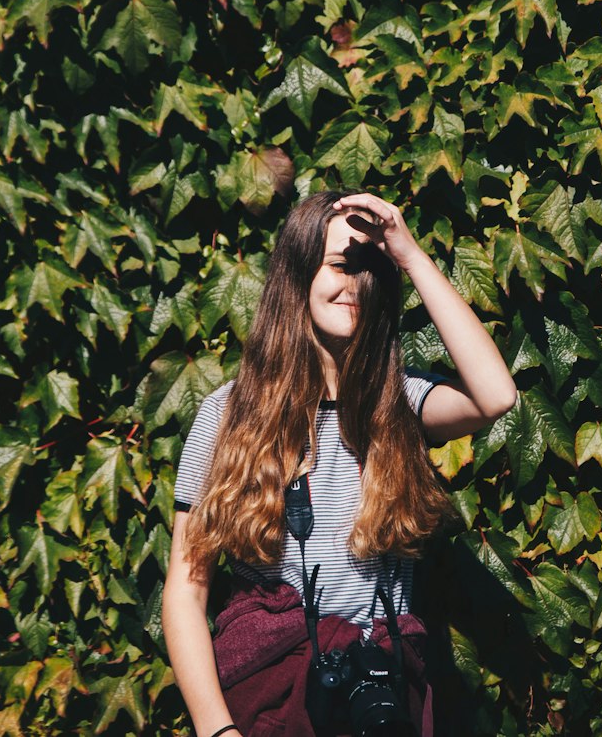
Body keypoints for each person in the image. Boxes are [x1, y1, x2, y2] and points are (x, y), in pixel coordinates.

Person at [162, 190, 518, 737]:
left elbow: (495, 397)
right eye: (339, 265)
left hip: (383, 688)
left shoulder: (397, 402)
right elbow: (187, 589)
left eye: (371, 270)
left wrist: (411, 256)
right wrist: (216, 731)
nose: (356, 284)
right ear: (298, 272)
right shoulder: (228, 414)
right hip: (272, 695)